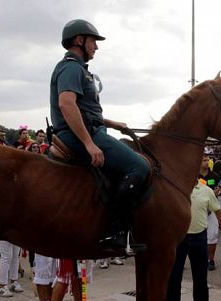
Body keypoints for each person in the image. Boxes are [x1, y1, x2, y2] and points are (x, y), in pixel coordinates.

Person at [50, 19, 150, 253]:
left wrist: (114, 124)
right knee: (140, 167)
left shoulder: (79, 69)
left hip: (93, 130)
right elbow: (66, 104)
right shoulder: (71, 67)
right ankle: (114, 234)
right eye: (93, 41)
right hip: (81, 136)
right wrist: (88, 143)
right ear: (79, 40)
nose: (96, 46)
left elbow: (85, 112)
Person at [166, 170, 221, 301]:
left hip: (199, 237)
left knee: (201, 277)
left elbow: (218, 211)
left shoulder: (206, 190)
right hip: (179, 238)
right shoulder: (175, 189)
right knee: (174, 277)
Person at [199, 153, 221, 270]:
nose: (207, 162)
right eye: (204, 160)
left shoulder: (214, 175)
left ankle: (210, 259)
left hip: (212, 210)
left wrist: (219, 191)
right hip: (198, 211)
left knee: (212, 235)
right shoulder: (193, 176)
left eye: (208, 160)